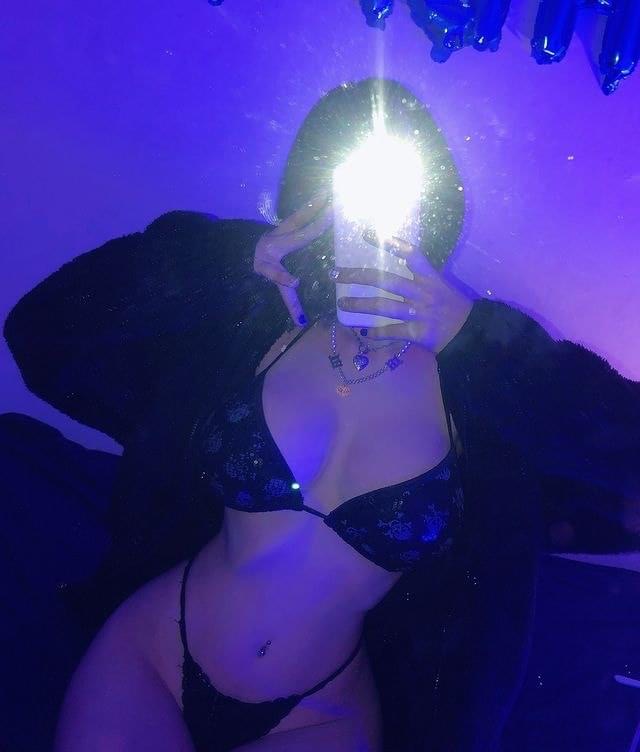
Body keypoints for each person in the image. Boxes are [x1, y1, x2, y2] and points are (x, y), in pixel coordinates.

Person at [4, 78, 640, 752]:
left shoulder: (480, 390)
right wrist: (224, 260)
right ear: (315, 200)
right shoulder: (260, 328)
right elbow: (41, 331)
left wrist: (479, 339)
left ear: (431, 209)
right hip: (155, 649)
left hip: (322, 712)